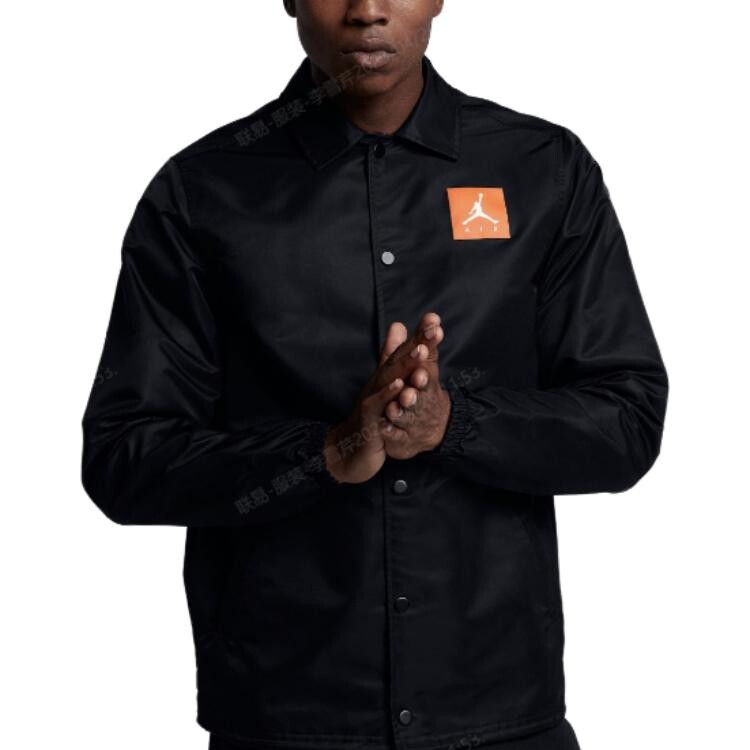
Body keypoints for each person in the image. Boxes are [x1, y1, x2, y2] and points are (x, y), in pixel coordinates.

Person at [81, 1, 669, 748]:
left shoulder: (542, 169)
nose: (366, 10)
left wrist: (453, 424)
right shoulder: (203, 192)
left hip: (499, 712)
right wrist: (325, 453)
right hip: (286, 716)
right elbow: (124, 457)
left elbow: (626, 419)